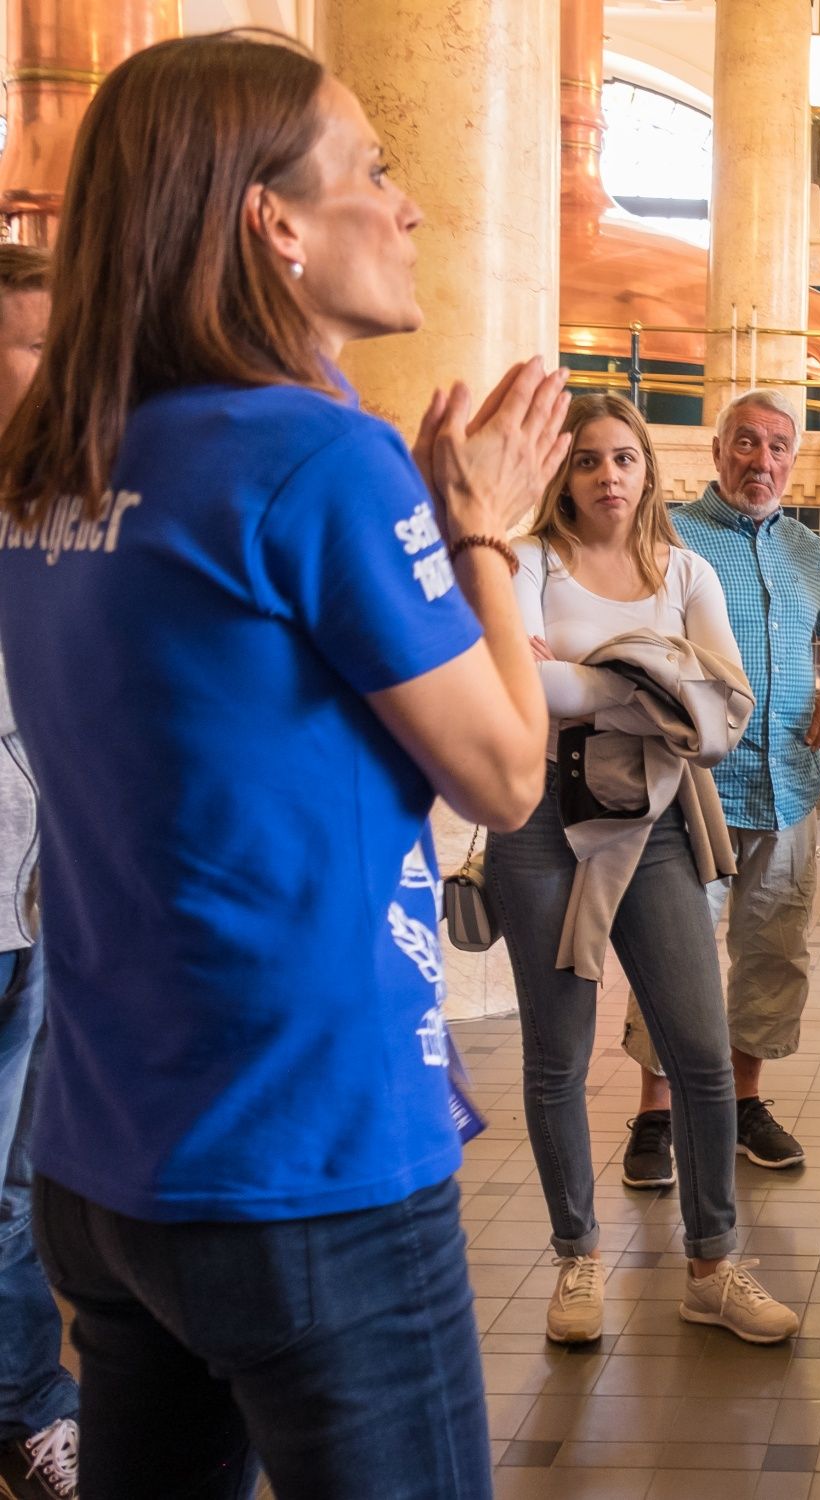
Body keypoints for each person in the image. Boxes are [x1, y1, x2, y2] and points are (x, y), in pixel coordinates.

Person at [0, 32, 565, 1498]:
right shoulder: (315, 457)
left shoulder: (62, 459)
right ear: (275, 224)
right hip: (304, 1156)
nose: (409, 204)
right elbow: (505, 774)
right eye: (371, 168)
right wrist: (482, 531)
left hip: (106, 1153)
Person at [487, 391, 800, 1348]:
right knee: (558, 1054)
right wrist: (655, 682)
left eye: (623, 458)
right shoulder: (526, 562)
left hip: (655, 825)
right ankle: (577, 1257)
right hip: (540, 821)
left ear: (648, 470)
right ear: (563, 474)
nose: (607, 476)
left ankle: (712, 1265)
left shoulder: (683, 569)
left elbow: (723, 712)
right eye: (587, 459)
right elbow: (520, 685)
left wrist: (581, 683)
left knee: (700, 1052)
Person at [617, 388, 820, 1184]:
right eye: (748, 443)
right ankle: (657, 1112)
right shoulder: (668, 534)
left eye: (778, 447)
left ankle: (744, 1102)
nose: (763, 460)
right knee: (673, 949)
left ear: (793, 460)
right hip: (693, 791)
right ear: (718, 451)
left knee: (772, 951)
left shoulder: (804, 548)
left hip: (788, 788)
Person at [0, 244, 78, 1500]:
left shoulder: (72, 511)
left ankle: (27, 1406)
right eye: (40, 348)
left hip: (42, 897)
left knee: (18, 1185)